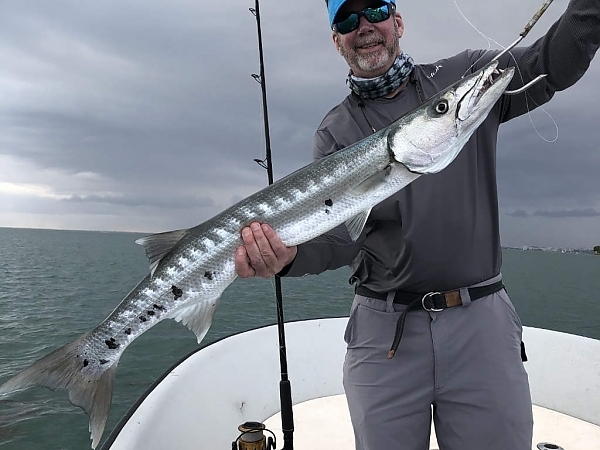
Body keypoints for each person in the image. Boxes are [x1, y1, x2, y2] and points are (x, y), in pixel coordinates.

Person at [235, 0, 600, 448]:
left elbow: (550, 64)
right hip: (383, 332)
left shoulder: (466, 79)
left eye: (376, 11)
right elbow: (341, 240)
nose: (364, 26)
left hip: (480, 323)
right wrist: (286, 257)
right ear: (337, 40)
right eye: (347, 20)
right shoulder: (335, 132)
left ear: (398, 20)